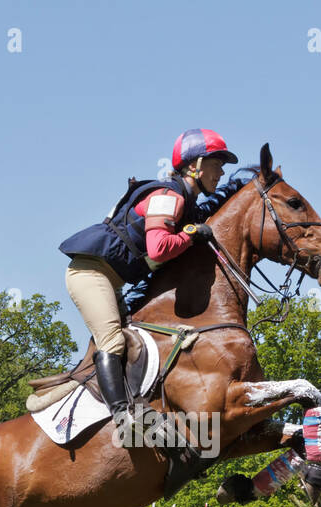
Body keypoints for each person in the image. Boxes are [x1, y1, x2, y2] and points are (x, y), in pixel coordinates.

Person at [58, 128, 249, 423]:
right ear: (194, 165)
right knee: (113, 343)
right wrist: (191, 235)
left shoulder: (184, 201)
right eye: (217, 163)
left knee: (138, 342)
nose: (222, 172)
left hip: (111, 279)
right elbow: (159, 249)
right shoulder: (167, 195)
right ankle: (123, 418)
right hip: (89, 273)